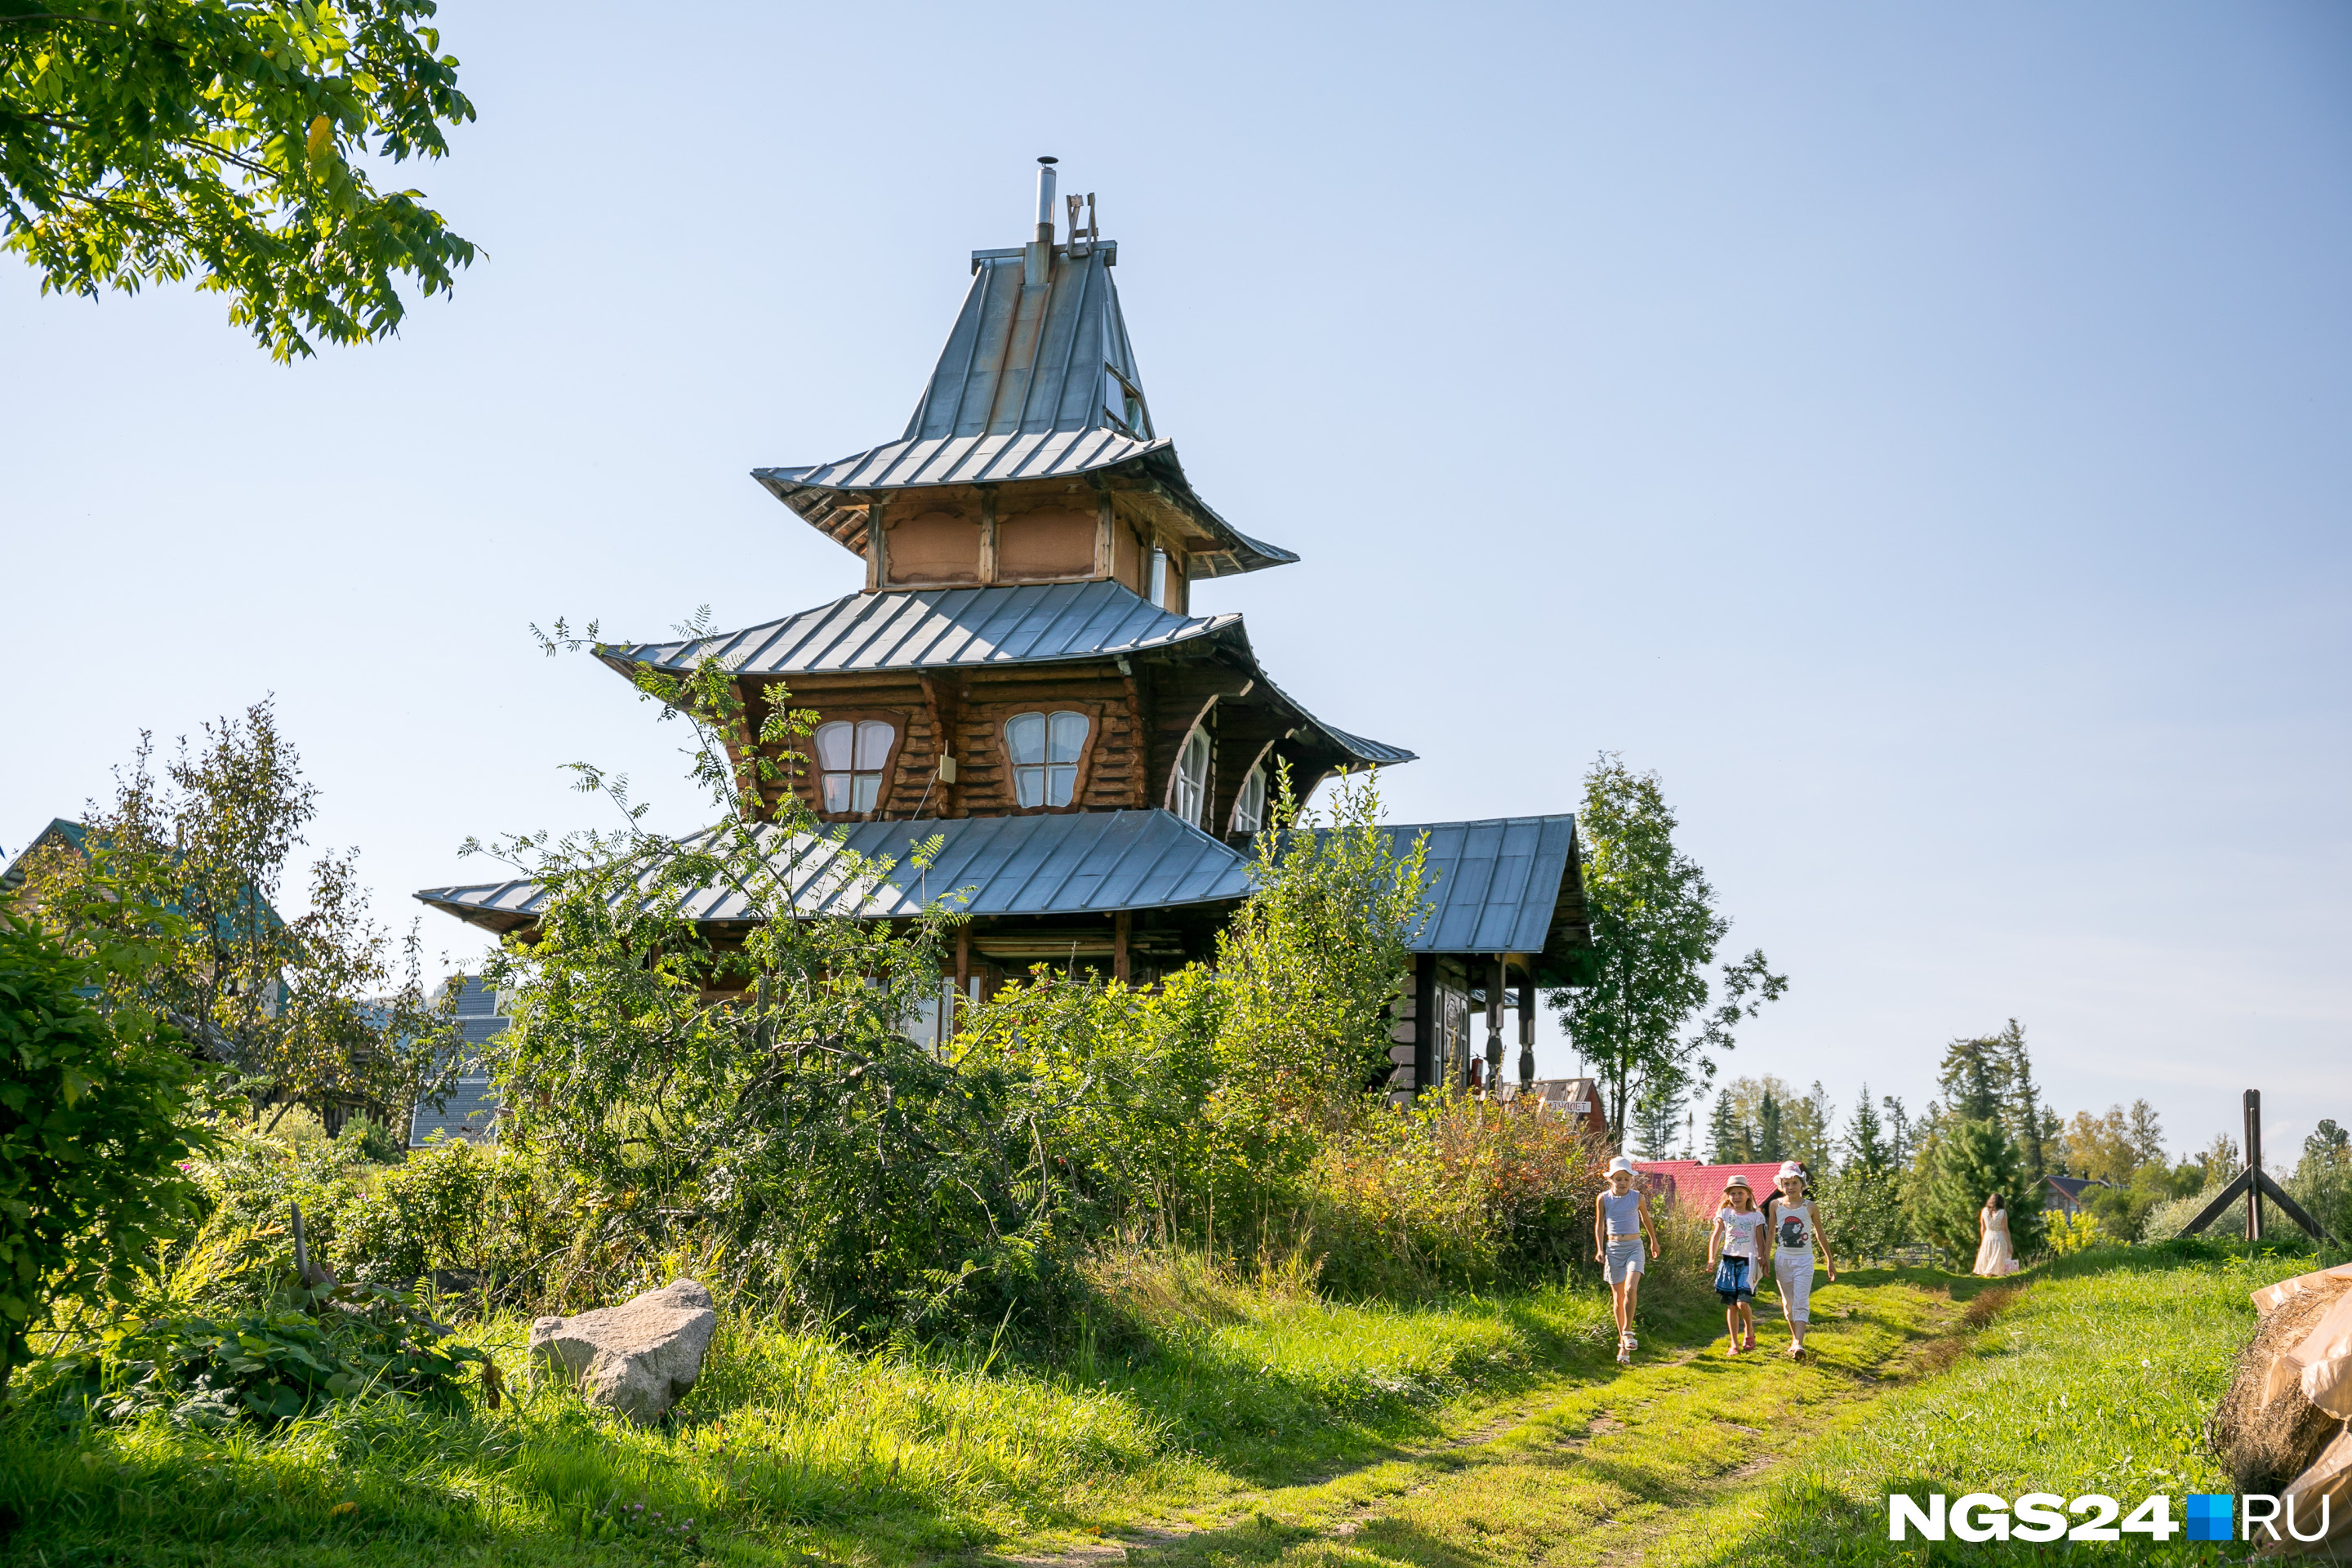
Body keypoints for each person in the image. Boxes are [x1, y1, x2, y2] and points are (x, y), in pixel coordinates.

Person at [1762, 1160, 1838, 1359]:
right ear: (1781, 1186)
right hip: (1782, 1260)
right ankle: (1795, 1340)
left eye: (1794, 1183)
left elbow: (1820, 1234)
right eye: (1786, 1184)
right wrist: (1765, 1259)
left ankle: (1799, 1344)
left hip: (1804, 1260)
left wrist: (1829, 1260)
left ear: (1801, 1184)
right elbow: (1770, 1233)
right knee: (1788, 1303)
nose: (1790, 1187)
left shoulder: (1811, 1207)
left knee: (1801, 1301)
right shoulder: (1775, 1205)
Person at [1593, 1156, 1660, 1365]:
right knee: (1618, 1298)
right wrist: (1599, 1249)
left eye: (1626, 1179)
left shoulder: (1637, 1197)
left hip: (1634, 1247)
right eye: (1618, 1179)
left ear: (1632, 1180)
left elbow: (1646, 1219)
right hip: (1613, 1249)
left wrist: (1654, 1242)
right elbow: (1599, 1225)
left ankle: (1628, 1332)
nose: (1623, 1183)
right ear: (1610, 1180)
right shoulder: (1603, 1199)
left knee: (1631, 1289)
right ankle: (1623, 1345)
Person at [1708, 1174, 1767, 1354]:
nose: (1736, 1197)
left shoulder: (1756, 1216)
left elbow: (1760, 1240)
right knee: (1731, 1305)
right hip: (1728, 1261)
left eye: (1740, 1193)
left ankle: (1749, 1330)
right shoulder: (1725, 1214)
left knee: (1742, 1303)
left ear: (1748, 1194)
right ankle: (1733, 1343)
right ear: (1728, 1196)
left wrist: (1763, 1258)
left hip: (1747, 1263)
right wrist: (1711, 1258)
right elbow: (1716, 1236)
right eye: (1733, 1193)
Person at [1974, 1192, 2018, 1276]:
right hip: (2000, 1237)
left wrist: (1983, 1240)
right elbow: (2005, 1229)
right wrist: (2010, 1244)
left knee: (1989, 1257)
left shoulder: (1984, 1211)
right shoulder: (2002, 1212)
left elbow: (1983, 1227)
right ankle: (2000, 1276)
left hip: (1988, 1237)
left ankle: (1988, 1275)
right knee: (1999, 1258)